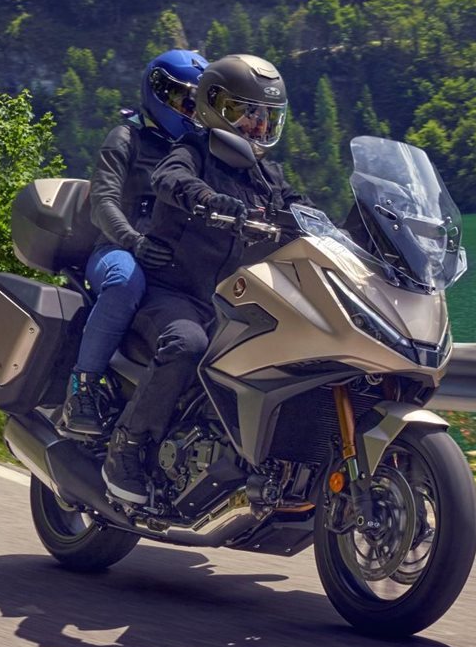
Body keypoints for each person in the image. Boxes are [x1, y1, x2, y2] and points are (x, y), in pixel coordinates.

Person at [101, 53, 303, 504]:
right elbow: (169, 179)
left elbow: (299, 206)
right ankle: (126, 449)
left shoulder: (264, 175)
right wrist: (207, 198)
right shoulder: (193, 150)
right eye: (247, 112)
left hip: (229, 300)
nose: (257, 125)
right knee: (187, 344)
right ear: (215, 107)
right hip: (171, 292)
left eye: (266, 116)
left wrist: (343, 233)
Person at [57, 49, 207, 435]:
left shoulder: (198, 153)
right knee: (125, 281)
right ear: (158, 93)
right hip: (116, 250)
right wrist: (133, 241)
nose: (189, 110)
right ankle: (82, 388)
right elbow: (103, 203)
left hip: (171, 260)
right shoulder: (126, 137)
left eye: (196, 103)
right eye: (183, 100)